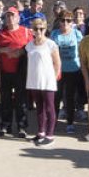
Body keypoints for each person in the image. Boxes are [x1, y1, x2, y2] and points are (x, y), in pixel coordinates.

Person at [0, 7, 32, 137]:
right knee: (5, 100)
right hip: (5, 71)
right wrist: (4, 51)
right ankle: (5, 125)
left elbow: (32, 49)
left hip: (21, 72)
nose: (10, 18)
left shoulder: (26, 32)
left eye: (13, 15)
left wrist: (20, 52)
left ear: (18, 18)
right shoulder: (1, 33)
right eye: (8, 16)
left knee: (21, 101)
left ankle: (22, 127)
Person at [25, 17, 62, 146]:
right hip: (34, 81)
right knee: (39, 108)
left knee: (50, 108)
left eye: (41, 29)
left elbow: (57, 63)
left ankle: (50, 135)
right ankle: (41, 132)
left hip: (48, 81)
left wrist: (54, 78)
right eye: (36, 29)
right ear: (33, 31)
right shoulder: (29, 45)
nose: (39, 31)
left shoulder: (51, 44)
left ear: (45, 29)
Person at [50, 10, 83, 134]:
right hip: (58, 70)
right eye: (63, 20)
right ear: (59, 21)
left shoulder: (77, 33)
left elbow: (82, 50)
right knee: (56, 97)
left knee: (70, 98)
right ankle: (53, 122)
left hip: (73, 69)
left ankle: (70, 123)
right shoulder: (54, 34)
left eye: (68, 20)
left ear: (72, 22)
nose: (65, 23)